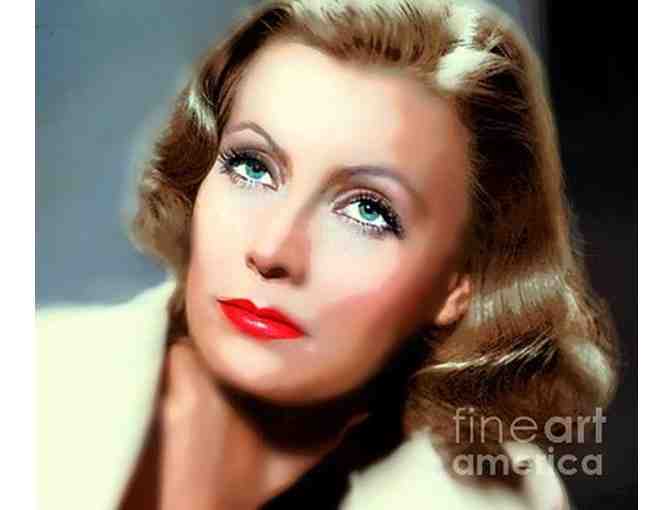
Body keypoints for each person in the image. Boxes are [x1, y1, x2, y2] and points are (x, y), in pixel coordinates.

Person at [37, 0, 619, 508]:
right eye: (252, 167)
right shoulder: (38, 376)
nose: (271, 250)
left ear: (456, 286)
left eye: (367, 210)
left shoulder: (488, 498)